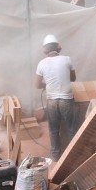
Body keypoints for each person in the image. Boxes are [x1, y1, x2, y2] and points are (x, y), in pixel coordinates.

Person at [35, 33, 78, 162]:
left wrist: (48, 83)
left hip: (52, 102)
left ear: (45, 50)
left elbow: (37, 85)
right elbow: (73, 79)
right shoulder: (67, 59)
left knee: (54, 130)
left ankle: (55, 157)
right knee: (71, 129)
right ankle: (73, 156)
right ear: (59, 47)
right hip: (66, 101)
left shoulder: (41, 63)